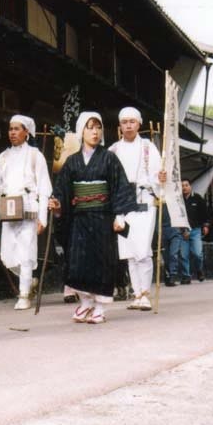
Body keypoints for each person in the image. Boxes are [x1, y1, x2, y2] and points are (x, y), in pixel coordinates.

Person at [48, 112, 135, 324]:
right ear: (81, 131)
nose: (95, 132)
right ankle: (85, 302)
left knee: (102, 261)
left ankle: (100, 306)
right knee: (77, 261)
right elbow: (63, 191)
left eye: (98, 127)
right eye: (90, 127)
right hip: (79, 220)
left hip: (102, 218)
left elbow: (121, 187)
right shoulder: (72, 162)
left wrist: (120, 216)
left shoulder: (109, 158)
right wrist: (58, 204)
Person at [0, 115, 52, 310]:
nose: (13, 133)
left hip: (28, 207)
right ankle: (29, 281)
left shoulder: (35, 155)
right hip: (9, 208)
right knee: (9, 254)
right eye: (10, 129)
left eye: (17, 129)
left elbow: (44, 188)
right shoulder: (4, 157)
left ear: (26, 132)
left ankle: (24, 294)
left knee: (26, 252)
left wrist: (43, 217)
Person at [108, 106, 165, 311]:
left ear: (139, 124)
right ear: (120, 126)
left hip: (144, 201)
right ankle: (137, 292)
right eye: (125, 122)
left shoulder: (149, 147)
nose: (129, 125)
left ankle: (145, 293)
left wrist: (160, 179)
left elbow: (159, 174)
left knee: (142, 248)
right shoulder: (113, 150)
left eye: (132, 121)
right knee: (129, 251)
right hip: (123, 204)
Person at [180, 178, 209, 283]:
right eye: (182, 185)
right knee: (184, 255)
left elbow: (204, 213)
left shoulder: (197, 198)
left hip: (195, 230)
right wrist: (182, 230)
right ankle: (186, 276)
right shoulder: (178, 201)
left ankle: (199, 270)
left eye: (186, 185)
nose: (184, 187)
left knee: (197, 253)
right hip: (182, 231)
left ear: (190, 186)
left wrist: (205, 226)